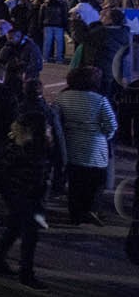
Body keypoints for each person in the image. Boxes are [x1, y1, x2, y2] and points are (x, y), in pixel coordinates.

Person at [0, 110, 52, 289]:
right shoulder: (26, 145)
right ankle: (26, 273)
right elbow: (29, 171)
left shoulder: (20, 142)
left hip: (22, 194)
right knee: (30, 235)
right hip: (25, 195)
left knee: (14, 228)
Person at [56, 65, 119, 225]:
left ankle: (75, 214)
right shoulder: (99, 100)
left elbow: (57, 118)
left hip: (72, 145)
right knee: (95, 181)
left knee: (75, 182)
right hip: (95, 147)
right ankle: (90, 210)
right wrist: (105, 135)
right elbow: (111, 124)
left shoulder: (63, 97)